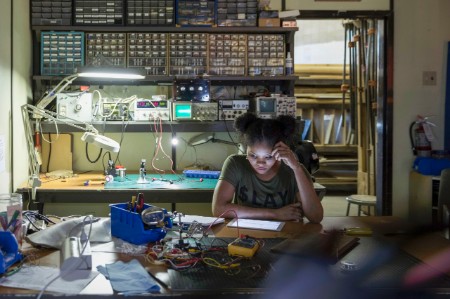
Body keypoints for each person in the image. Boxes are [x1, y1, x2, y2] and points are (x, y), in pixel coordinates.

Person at [212, 112, 324, 223]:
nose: (260, 163)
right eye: (253, 155)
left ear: (280, 149)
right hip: (244, 235)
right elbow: (218, 209)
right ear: (246, 149)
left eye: (268, 156)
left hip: (285, 235)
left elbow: (316, 217)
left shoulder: (294, 169)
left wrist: (297, 168)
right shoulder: (235, 164)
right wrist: (275, 214)